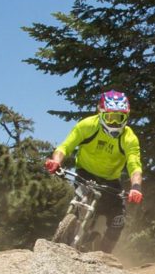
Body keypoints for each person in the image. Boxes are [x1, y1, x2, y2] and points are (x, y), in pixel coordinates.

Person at [45, 90, 146, 251]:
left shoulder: (129, 138)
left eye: (120, 118)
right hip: (84, 173)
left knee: (118, 220)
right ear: (100, 113)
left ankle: (104, 257)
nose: (114, 123)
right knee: (78, 205)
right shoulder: (87, 125)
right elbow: (65, 146)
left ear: (126, 117)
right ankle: (68, 229)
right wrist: (56, 161)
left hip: (110, 181)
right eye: (109, 117)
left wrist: (136, 188)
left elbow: (134, 165)